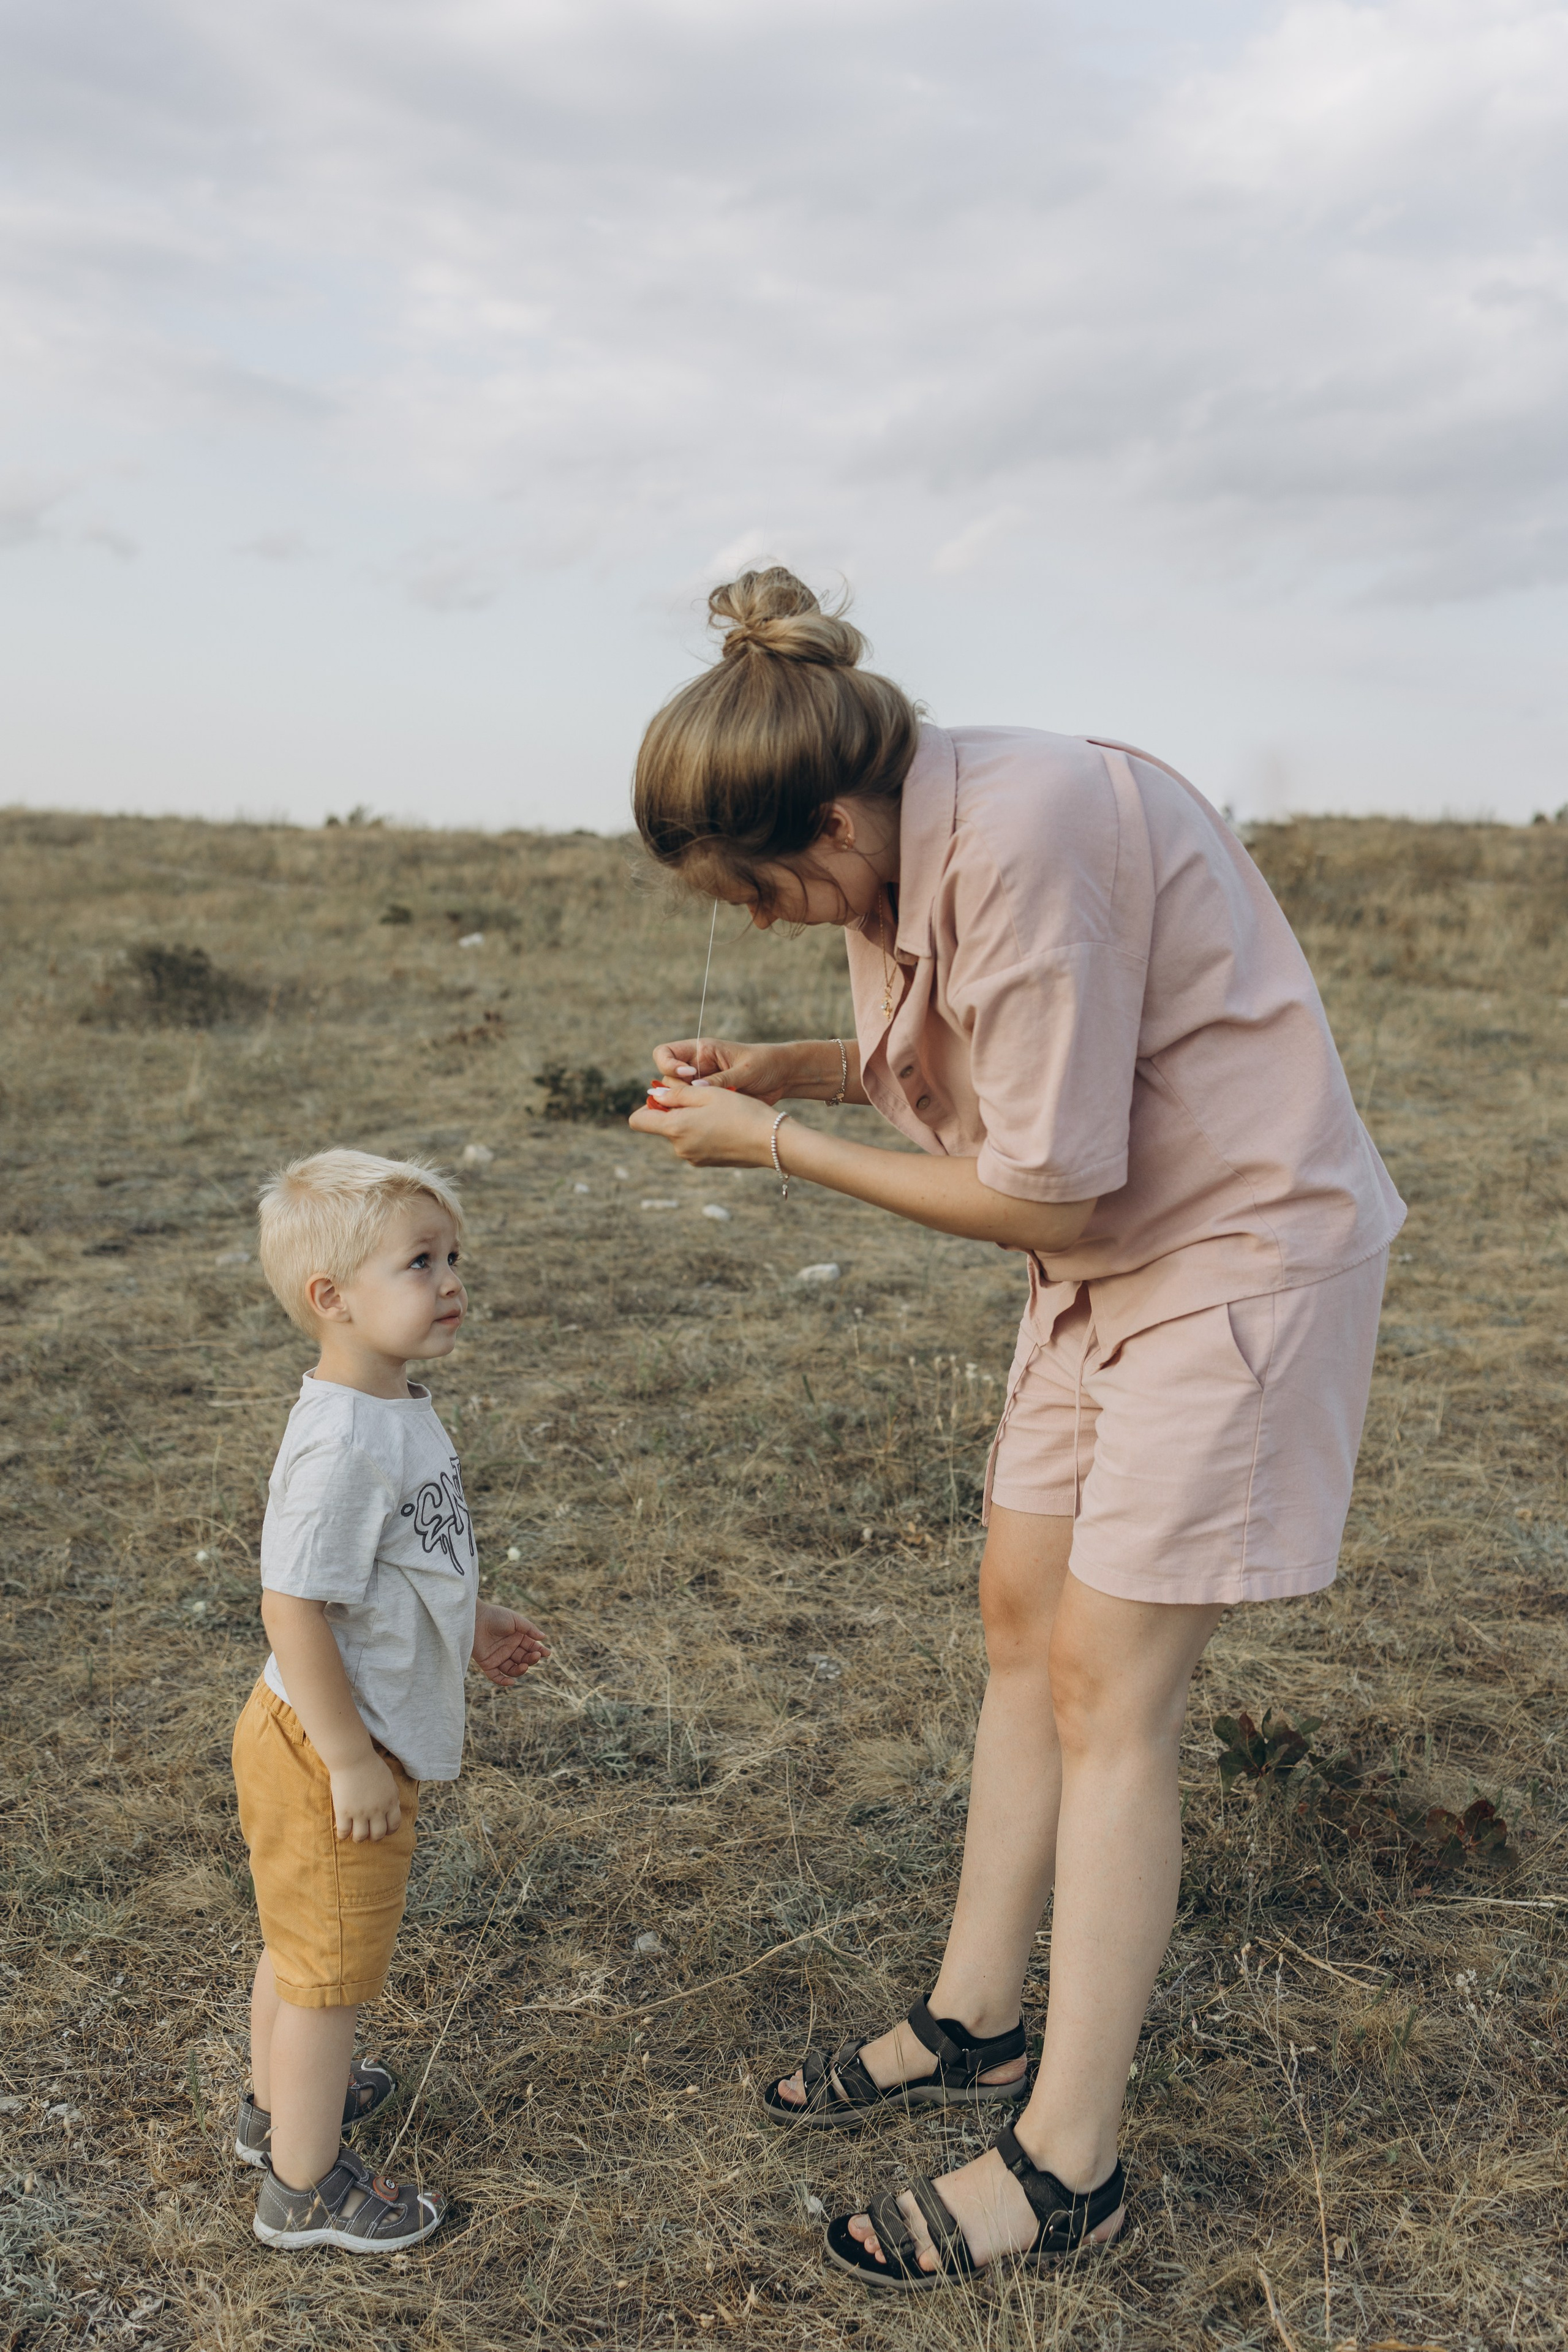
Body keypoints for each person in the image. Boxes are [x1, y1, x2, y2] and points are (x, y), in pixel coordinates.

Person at [627, 568, 1403, 2290]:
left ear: (829, 810)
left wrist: (769, 1152)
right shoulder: (899, 845)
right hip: (1102, 1266)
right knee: (1019, 1633)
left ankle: (1070, 2164)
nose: (769, 918)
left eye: (767, 887)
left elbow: (1044, 1182)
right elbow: (974, 1062)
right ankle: (977, 2012)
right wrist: (786, 1065)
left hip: (1226, 1258)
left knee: (1108, 1699)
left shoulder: (1033, 831)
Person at [233, 1150, 548, 2253]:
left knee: (299, 1944)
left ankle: (277, 2108)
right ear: (333, 1300)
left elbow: (402, 1564)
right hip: (329, 1744)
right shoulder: (342, 1441)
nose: (452, 1279)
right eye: (421, 1262)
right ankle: (303, 2188)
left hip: (327, 1734)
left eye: (452, 1256)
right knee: (327, 1979)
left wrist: (474, 1621)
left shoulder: (393, 1406)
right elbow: (293, 1609)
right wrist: (352, 1758)